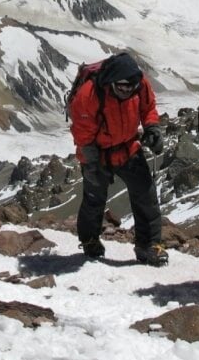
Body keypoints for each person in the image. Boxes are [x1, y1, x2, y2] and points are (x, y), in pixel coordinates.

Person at [68, 52, 168, 265]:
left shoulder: (139, 83)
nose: (126, 91)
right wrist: (91, 163)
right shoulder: (88, 94)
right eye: (122, 88)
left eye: (130, 88)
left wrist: (152, 128)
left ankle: (149, 246)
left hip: (129, 147)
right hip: (98, 153)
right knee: (94, 200)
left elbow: (148, 107)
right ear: (111, 82)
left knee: (146, 195)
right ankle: (90, 241)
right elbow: (82, 133)